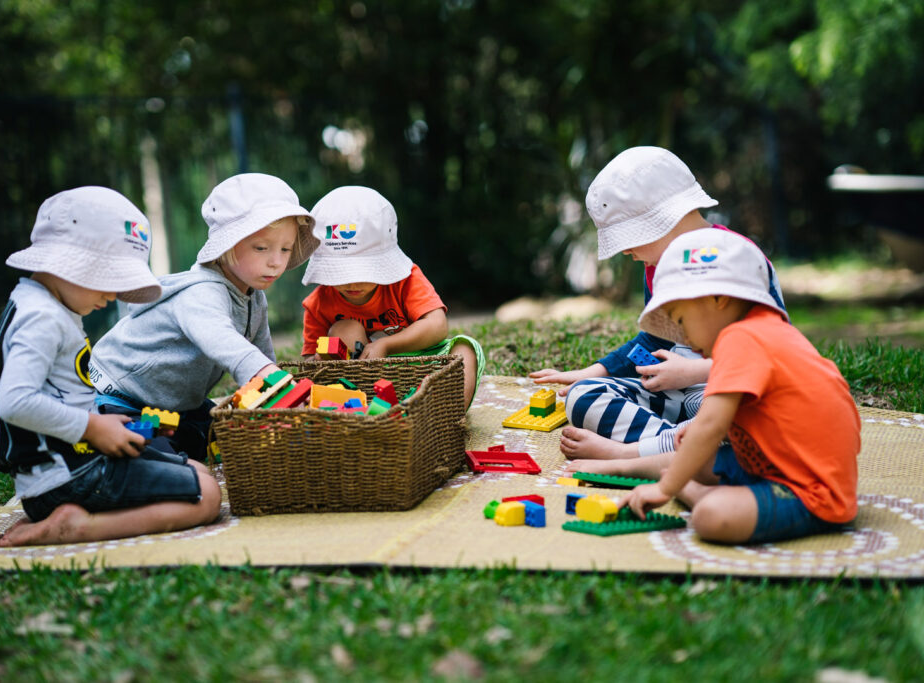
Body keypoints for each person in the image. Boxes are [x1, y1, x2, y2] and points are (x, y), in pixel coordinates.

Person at [0, 186, 222, 547]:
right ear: (69, 261)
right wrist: (93, 428)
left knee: (197, 469)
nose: (113, 295)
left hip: (68, 467)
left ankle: (74, 516)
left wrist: (102, 424)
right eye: (109, 278)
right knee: (206, 495)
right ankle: (77, 528)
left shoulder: (37, 304)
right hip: (67, 479)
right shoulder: (42, 318)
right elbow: (14, 401)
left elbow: (59, 394)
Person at [529, 146, 785, 462]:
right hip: (672, 393)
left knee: (739, 419)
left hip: (723, 392)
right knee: (583, 398)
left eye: (628, 237)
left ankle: (644, 453)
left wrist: (694, 372)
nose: (624, 251)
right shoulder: (656, 266)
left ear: (663, 219)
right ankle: (680, 449)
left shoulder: (739, 260)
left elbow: (770, 356)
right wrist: (593, 372)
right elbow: (655, 340)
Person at [619, 228, 859, 543]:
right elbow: (766, 414)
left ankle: (695, 493)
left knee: (711, 516)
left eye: (680, 321)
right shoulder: (761, 331)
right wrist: (699, 434)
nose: (684, 338)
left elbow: (711, 425)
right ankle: (693, 485)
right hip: (780, 463)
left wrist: (667, 489)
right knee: (697, 457)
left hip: (810, 490)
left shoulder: (740, 339)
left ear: (718, 299)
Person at [89, 173, 317, 460]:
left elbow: (262, 357)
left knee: (228, 438)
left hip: (175, 405)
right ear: (227, 246)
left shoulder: (254, 295)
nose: (276, 261)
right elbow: (226, 344)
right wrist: (277, 381)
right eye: (261, 248)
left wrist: (281, 393)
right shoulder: (201, 293)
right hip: (120, 398)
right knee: (162, 459)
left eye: (285, 249)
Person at [299, 186, 485, 410]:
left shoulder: (406, 280)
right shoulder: (319, 302)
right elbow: (308, 364)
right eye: (342, 274)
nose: (352, 283)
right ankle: (361, 412)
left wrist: (387, 344)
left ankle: (448, 416)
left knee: (465, 349)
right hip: (359, 381)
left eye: (363, 272)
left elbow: (437, 325)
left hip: (417, 364)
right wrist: (322, 360)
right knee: (343, 330)